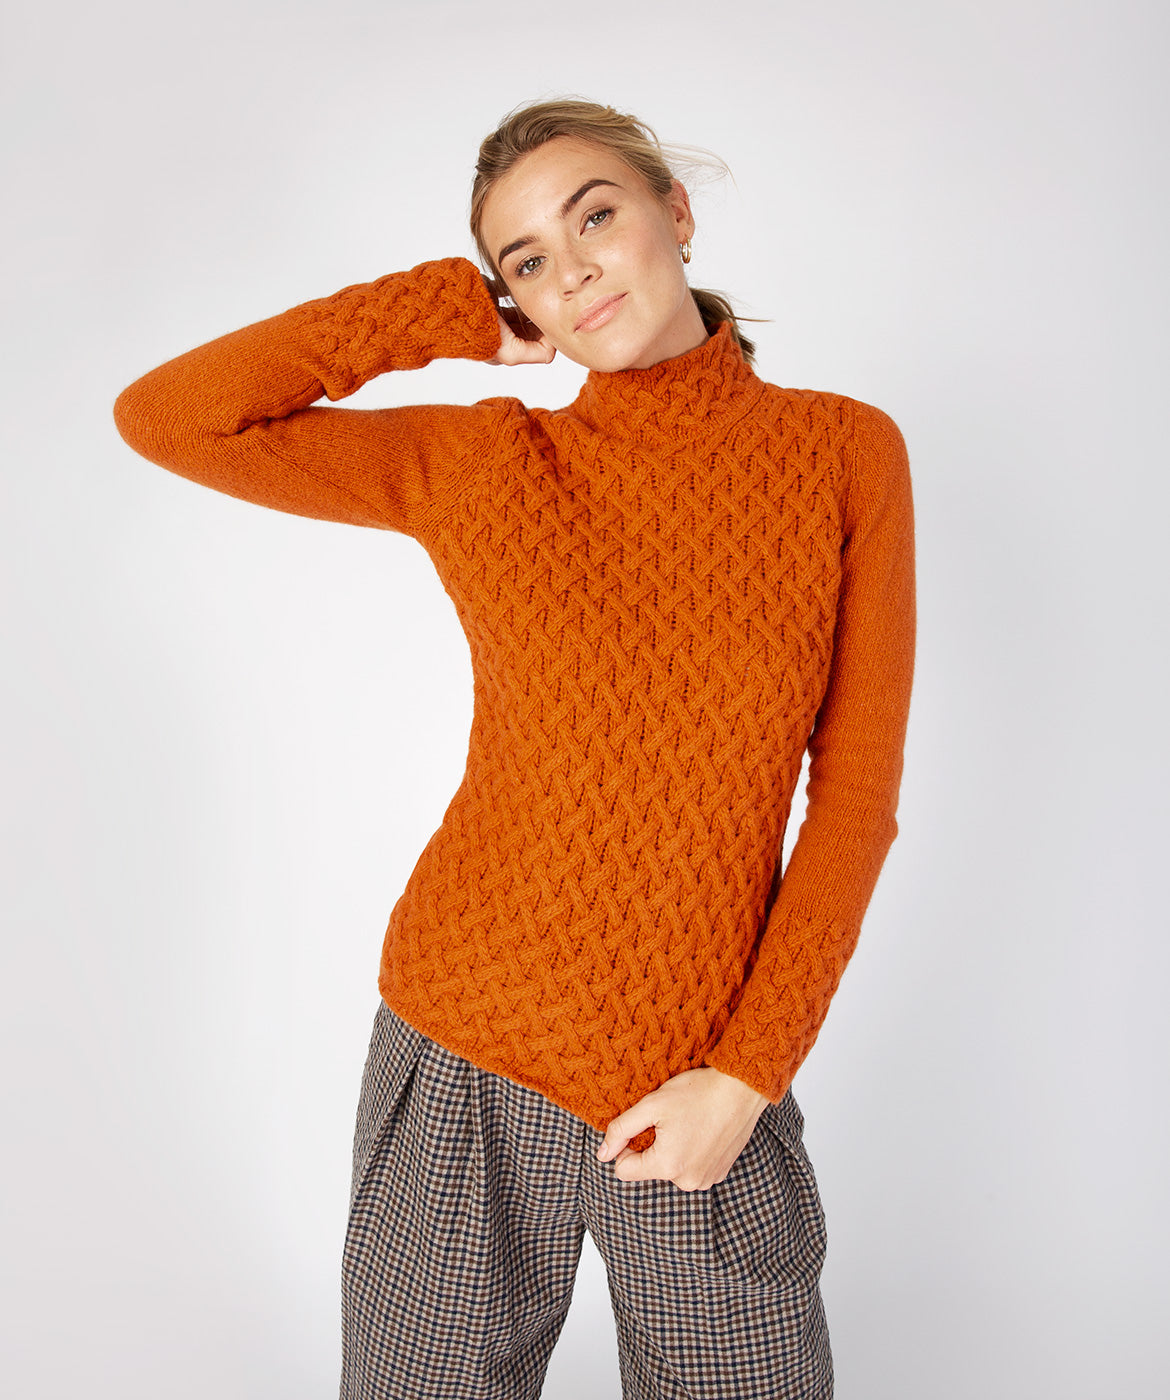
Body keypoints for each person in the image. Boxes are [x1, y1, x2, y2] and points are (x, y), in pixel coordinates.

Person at [113, 97, 915, 1400]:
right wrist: (437, 314)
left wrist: (746, 1077)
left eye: (595, 216)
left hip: (699, 1081)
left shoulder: (843, 452)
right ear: (516, 299)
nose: (575, 268)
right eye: (529, 259)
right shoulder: (485, 461)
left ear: (675, 212)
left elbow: (856, 795)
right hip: (463, 1046)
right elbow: (169, 416)